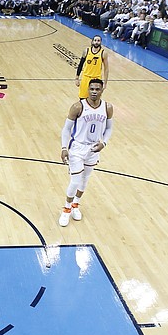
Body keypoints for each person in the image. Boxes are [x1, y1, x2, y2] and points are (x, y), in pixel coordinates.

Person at [59, 78, 114, 227]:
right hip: (77, 147)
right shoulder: (78, 107)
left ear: (102, 90)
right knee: (75, 180)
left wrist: (104, 142)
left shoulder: (107, 107)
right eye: (92, 89)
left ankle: (76, 204)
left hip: (93, 148)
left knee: (85, 180)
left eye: (97, 89)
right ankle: (66, 209)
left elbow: (109, 128)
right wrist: (64, 148)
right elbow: (66, 129)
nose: (94, 92)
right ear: (88, 90)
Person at [75, 35, 108, 99]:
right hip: (86, 77)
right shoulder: (86, 51)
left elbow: (106, 69)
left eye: (98, 41)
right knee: (82, 98)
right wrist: (77, 78)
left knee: (95, 99)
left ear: (101, 42)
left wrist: (105, 83)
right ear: (92, 41)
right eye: (95, 40)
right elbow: (81, 64)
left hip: (97, 79)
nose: (96, 42)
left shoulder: (103, 53)